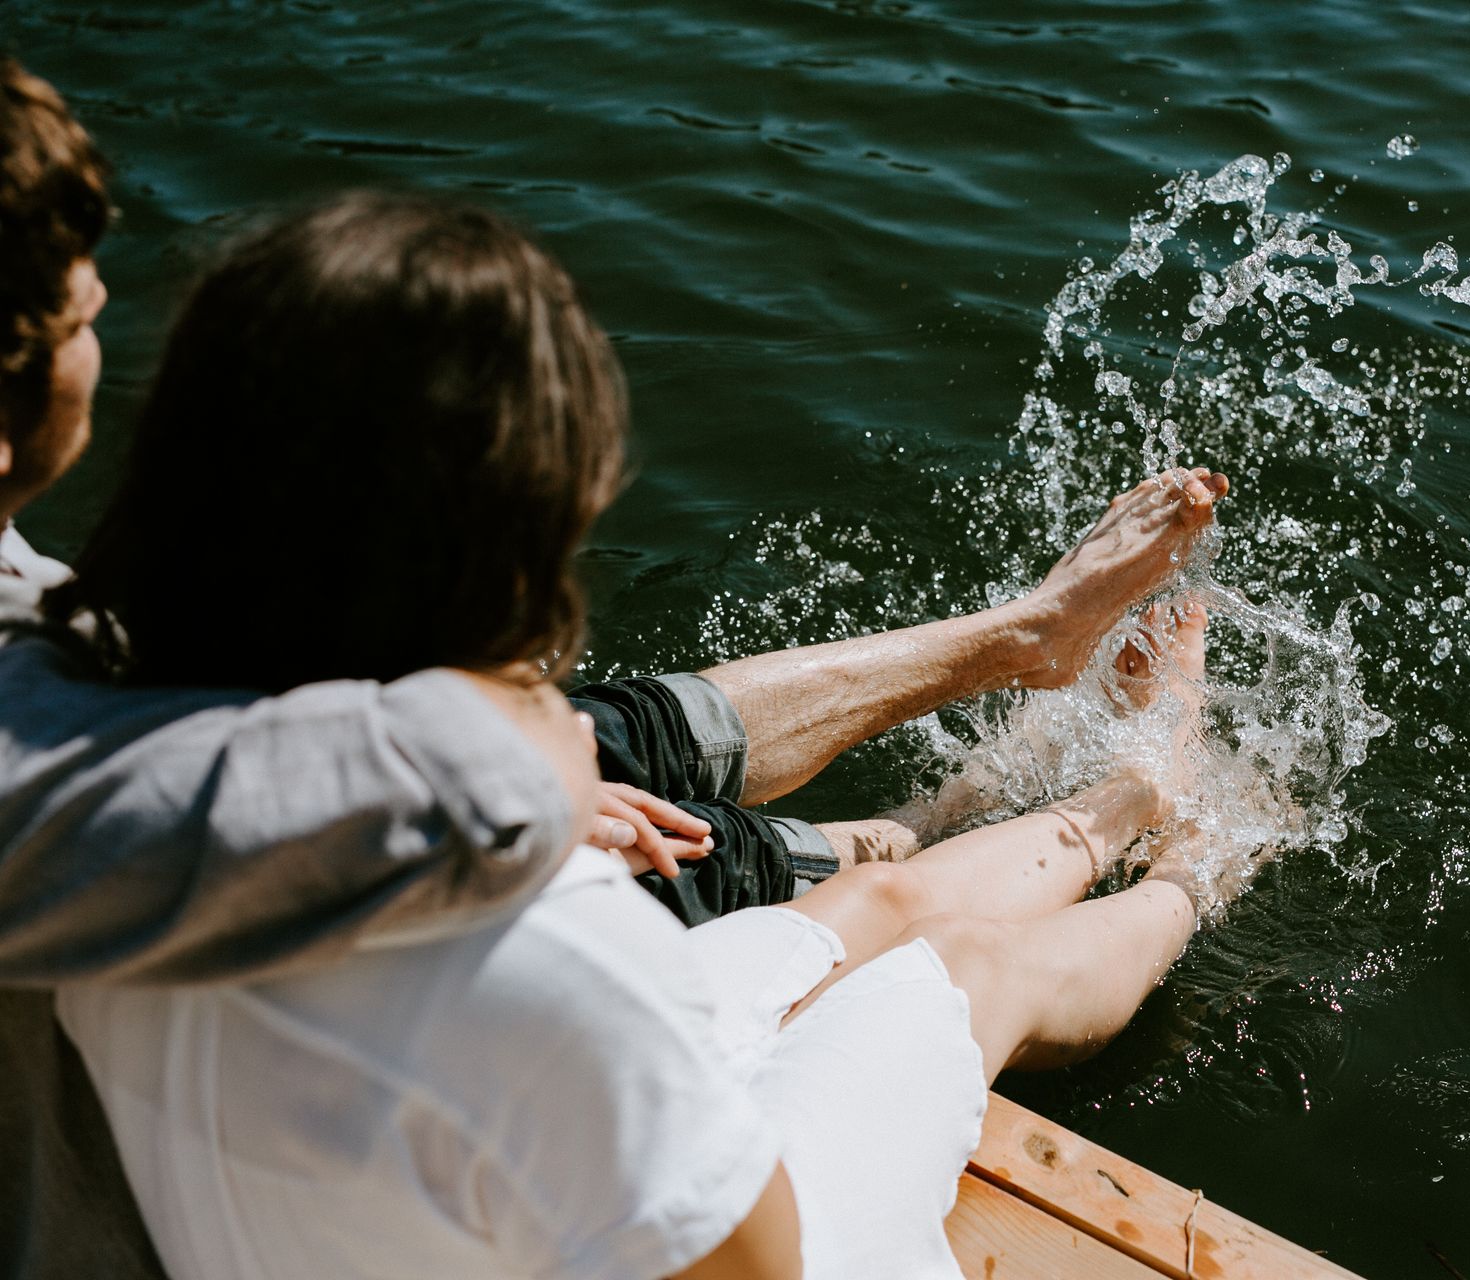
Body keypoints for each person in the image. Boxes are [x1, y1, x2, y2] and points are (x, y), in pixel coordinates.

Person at [52, 192, 1225, 1280]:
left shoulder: (105, 777)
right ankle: (1169, 838)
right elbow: (759, 1260)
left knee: (875, 908)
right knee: (967, 969)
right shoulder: (532, 941)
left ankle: (1105, 800)